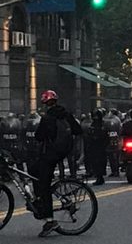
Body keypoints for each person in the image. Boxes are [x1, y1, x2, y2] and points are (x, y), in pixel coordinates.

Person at [32, 90, 82, 237]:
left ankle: (49, 219)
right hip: (64, 152)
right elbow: (78, 130)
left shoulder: (47, 118)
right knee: (37, 172)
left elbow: (38, 136)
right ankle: (41, 200)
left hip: (50, 155)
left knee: (43, 184)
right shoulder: (67, 114)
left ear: (45, 104)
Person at [89, 109, 108, 185]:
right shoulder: (92, 124)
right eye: (94, 116)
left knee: (100, 162)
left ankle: (100, 177)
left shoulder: (103, 124)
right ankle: (97, 175)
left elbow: (106, 135)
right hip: (94, 146)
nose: (95, 118)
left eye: (97, 116)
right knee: (94, 162)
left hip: (101, 146)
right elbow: (90, 133)